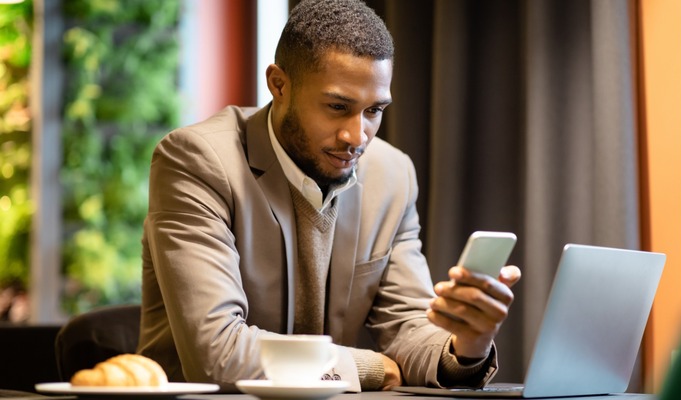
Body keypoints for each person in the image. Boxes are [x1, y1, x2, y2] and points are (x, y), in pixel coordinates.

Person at [138, 0, 521, 393]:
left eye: (374, 110)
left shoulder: (393, 175)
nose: (357, 137)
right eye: (338, 107)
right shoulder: (196, 160)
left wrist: (465, 346)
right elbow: (217, 354)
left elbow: (407, 326)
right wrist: (368, 367)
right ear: (279, 85)